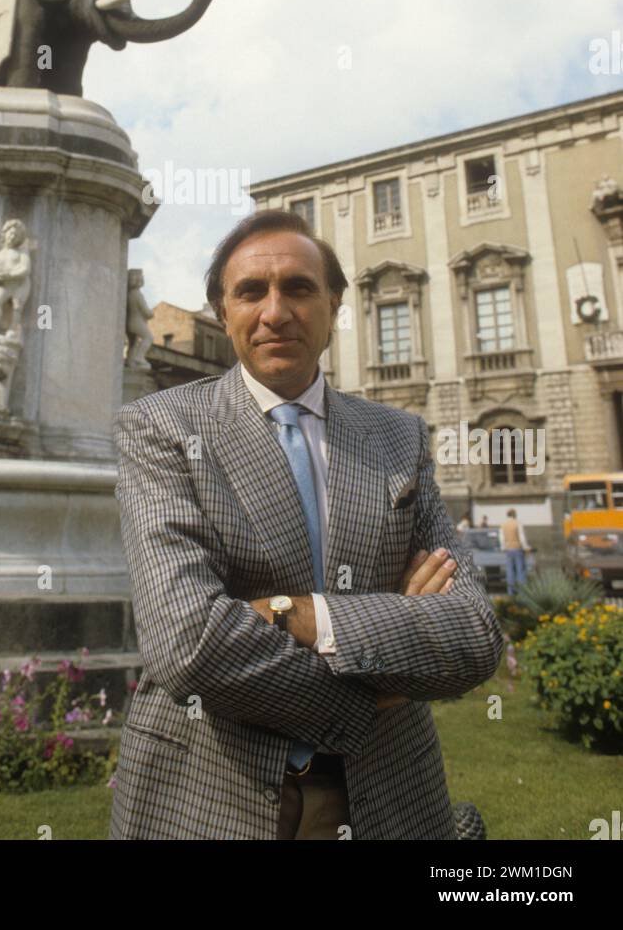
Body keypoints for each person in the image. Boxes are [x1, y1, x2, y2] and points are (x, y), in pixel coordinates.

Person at [109, 210, 504, 840]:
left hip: (390, 795)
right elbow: (186, 641)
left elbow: (475, 632)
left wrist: (294, 615)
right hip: (212, 793)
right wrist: (374, 684)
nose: (275, 312)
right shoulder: (161, 427)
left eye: (297, 288)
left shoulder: (398, 438)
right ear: (222, 309)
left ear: (334, 304)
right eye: (250, 292)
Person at [501, 508, 533, 596]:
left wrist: (504, 547)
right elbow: (522, 537)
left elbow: (502, 538)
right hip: (518, 548)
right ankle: (523, 592)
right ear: (514, 514)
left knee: (510, 571)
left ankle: (511, 592)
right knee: (520, 570)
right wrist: (526, 547)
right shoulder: (518, 523)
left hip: (508, 549)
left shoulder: (503, 525)